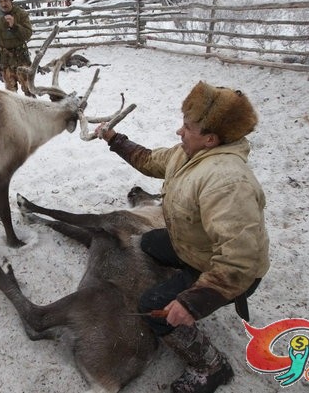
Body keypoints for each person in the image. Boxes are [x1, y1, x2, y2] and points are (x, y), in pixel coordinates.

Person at [95, 81, 270, 393]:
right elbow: (149, 160)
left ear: (210, 139)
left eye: (187, 127)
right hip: (196, 248)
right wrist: (113, 138)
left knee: (154, 305)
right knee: (149, 243)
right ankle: (183, 284)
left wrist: (193, 300)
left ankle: (211, 366)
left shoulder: (227, 182)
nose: (179, 132)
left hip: (227, 271)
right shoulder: (188, 155)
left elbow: (241, 261)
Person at [0, 0, 35, 97]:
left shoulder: (21, 14)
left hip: (21, 58)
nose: (3, 4)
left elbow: (27, 35)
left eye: (5, 0)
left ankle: (33, 112)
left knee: (29, 90)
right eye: (0, 1)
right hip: (5, 60)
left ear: (10, 0)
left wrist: (15, 26)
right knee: (11, 95)